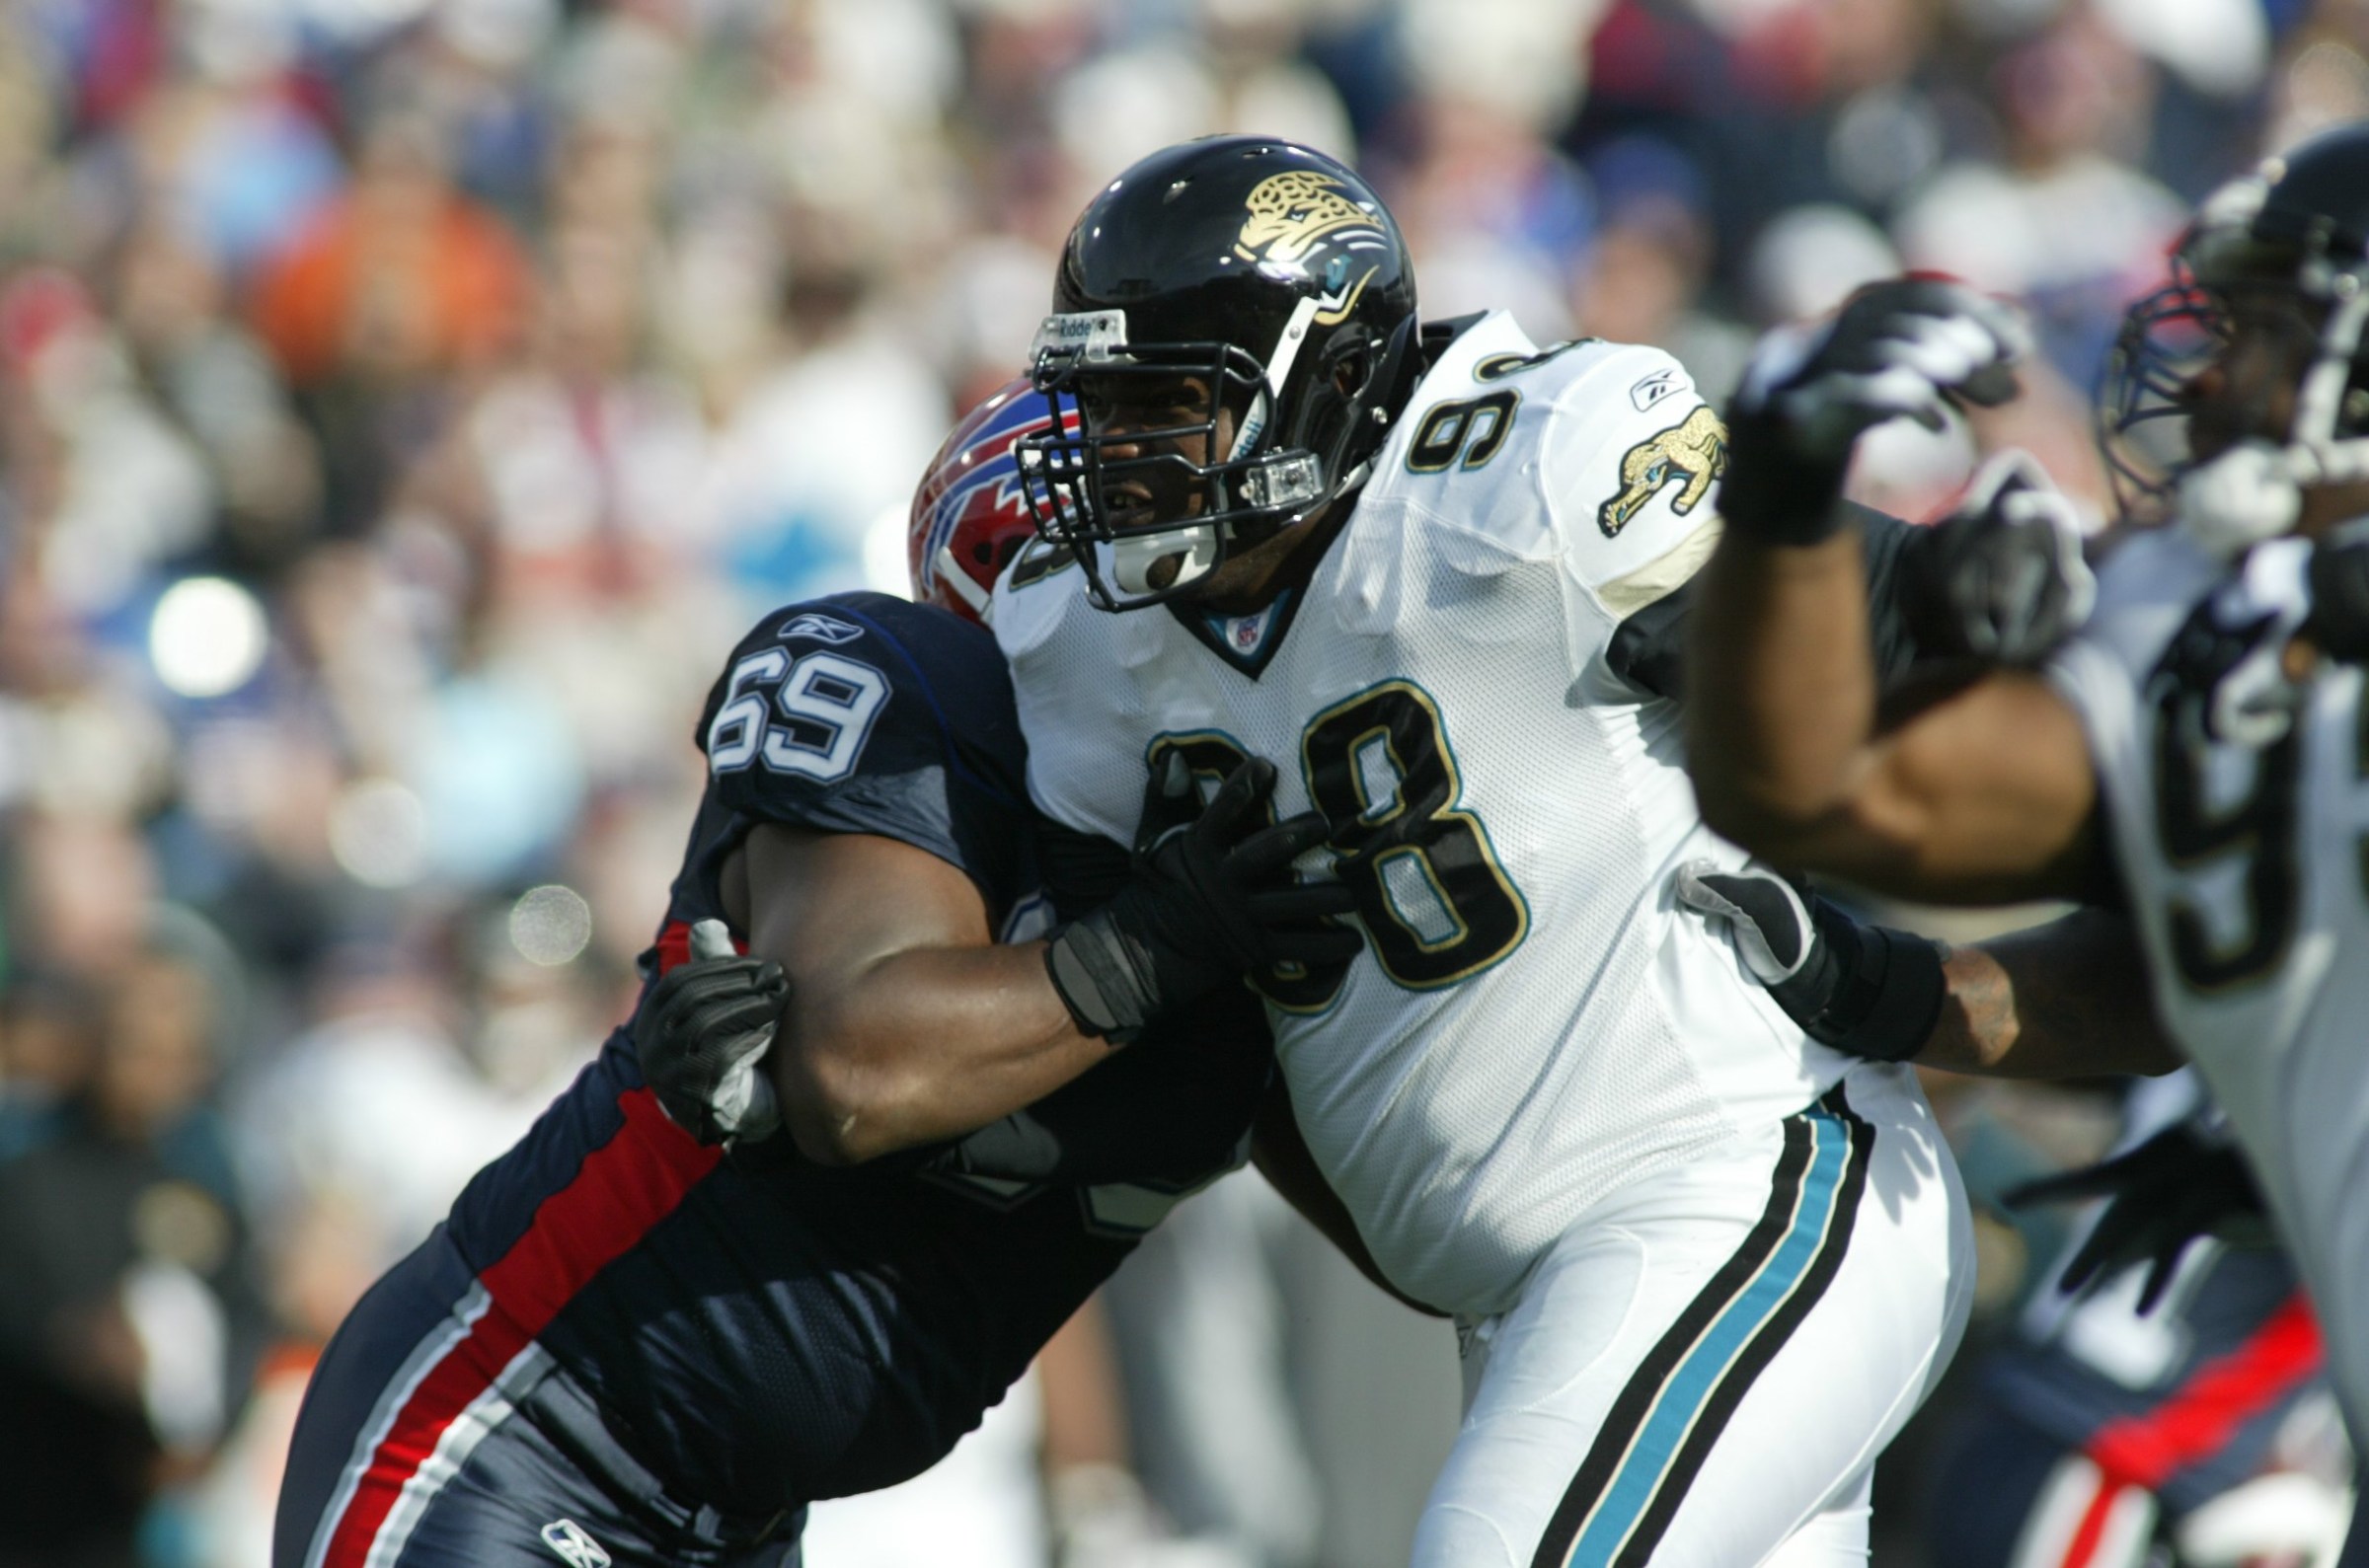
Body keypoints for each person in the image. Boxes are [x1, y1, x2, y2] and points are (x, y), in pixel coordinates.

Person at [985, 133, 2169, 1567]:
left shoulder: (1518, 475)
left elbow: (1843, 602)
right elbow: (1174, 1066)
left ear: (1322, 383)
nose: (1119, 462)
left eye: (1166, 408)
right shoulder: (1083, 643)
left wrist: (1950, 585)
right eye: (1100, 413)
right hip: (1541, 1297)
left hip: (1734, 1178)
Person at [271, 382, 1386, 1568]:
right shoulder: (920, 717)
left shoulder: (1240, 867)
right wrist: (1151, 949)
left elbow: (1410, 1232)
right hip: (527, 1432)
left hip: (746, 1519)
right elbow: (859, 1071)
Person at [1678, 122, 2369, 1448]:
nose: (2211, 375)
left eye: (2270, 332)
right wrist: (1788, 492)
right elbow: (1824, 793)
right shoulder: (2211, 615)